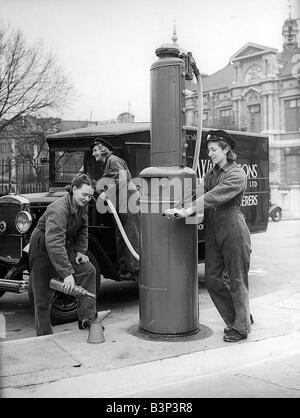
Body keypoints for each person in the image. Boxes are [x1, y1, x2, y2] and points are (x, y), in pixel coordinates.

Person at [165, 129, 253, 342]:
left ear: (226, 149)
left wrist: (189, 209)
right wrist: (178, 208)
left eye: (214, 149)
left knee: (237, 279)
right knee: (213, 280)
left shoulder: (237, 173)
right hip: (214, 230)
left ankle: (241, 329)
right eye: (209, 150)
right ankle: (241, 318)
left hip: (233, 230)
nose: (210, 154)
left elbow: (213, 196)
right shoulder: (211, 174)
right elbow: (196, 192)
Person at [29, 174, 97, 336]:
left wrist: (81, 250)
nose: (87, 199)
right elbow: (54, 243)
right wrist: (67, 274)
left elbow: (83, 227)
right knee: (43, 295)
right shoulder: (58, 209)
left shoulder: (83, 205)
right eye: (84, 195)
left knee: (88, 270)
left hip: (62, 243)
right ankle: (44, 336)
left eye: (90, 196)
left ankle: (86, 319)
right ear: (74, 190)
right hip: (43, 246)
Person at [90, 138, 140, 280]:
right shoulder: (109, 163)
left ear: (103, 149)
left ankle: (134, 269)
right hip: (122, 207)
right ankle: (125, 269)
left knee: (130, 237)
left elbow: (122, 179)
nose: (94, 154)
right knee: (122, 238)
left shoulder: (113, 160)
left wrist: (106, 192)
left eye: (95, 150)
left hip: (129, 206)